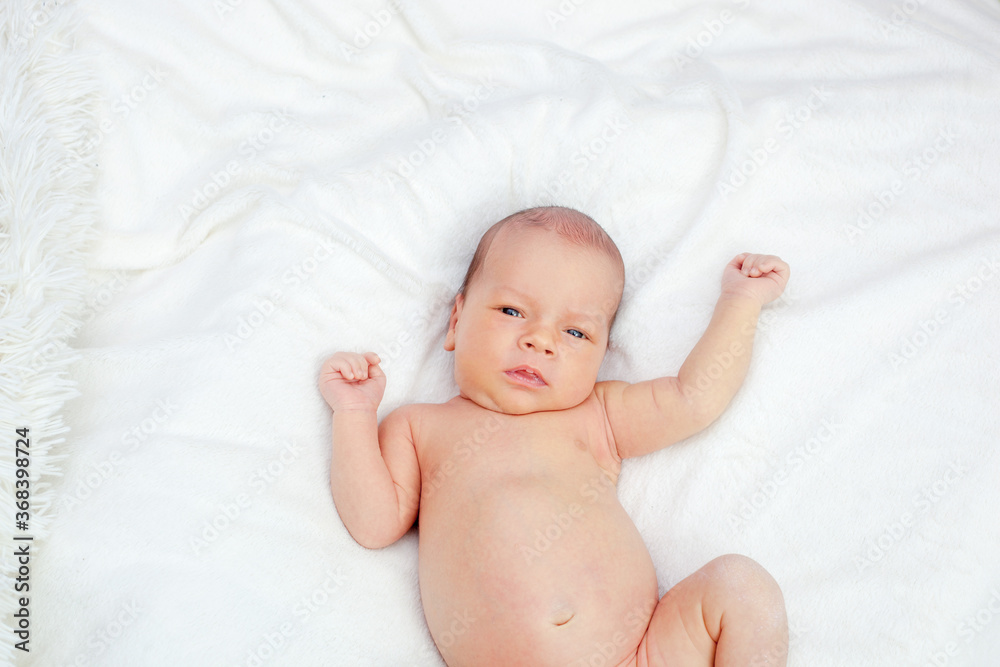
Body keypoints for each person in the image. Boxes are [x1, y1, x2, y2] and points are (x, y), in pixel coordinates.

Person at [319, 206, 790, 666]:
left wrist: (741, 302)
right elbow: (374, 523)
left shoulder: (599, 414)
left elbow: (694, 398)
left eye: (575, 333)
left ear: (603, 353)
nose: (541, 340)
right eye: (512, 310)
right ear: (456, 321)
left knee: (742, 586)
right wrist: (355, 413)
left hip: (644, 654)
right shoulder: (419, 427)